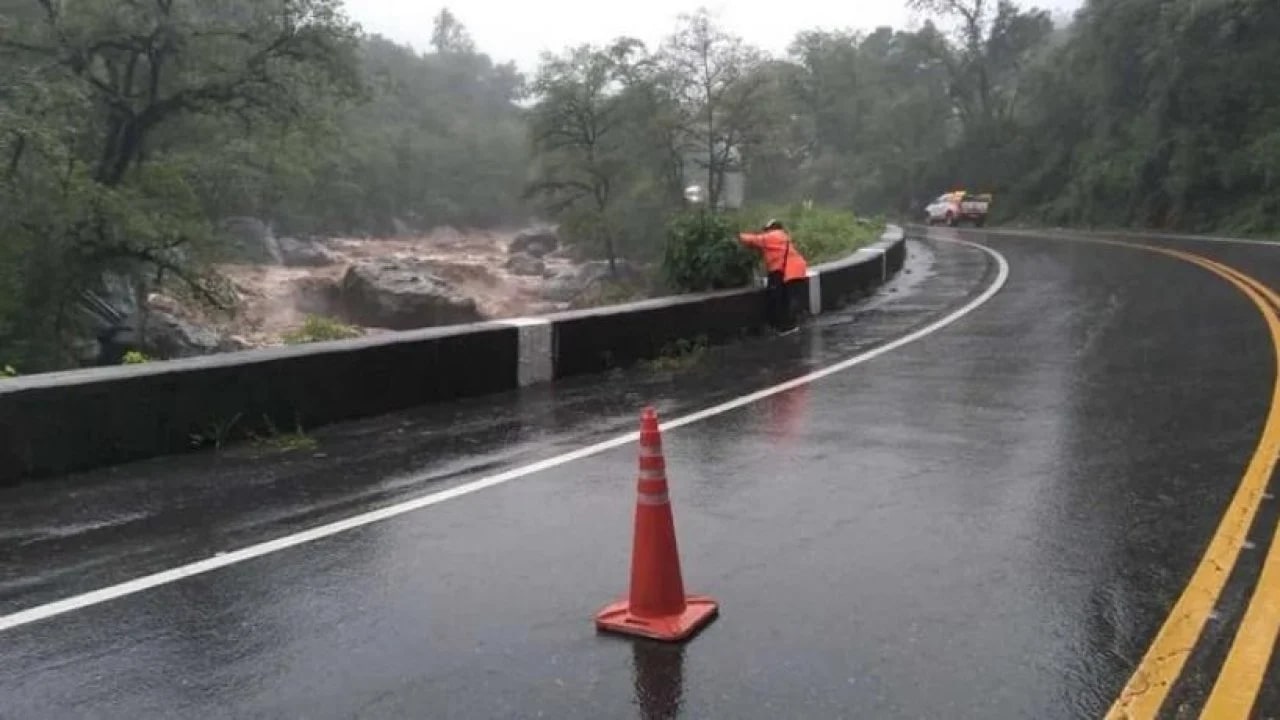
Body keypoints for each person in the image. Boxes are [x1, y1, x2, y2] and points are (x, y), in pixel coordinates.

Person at [738, 219, 808, 335]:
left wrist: (737, 236)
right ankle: (790, 325)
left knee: (779, 299)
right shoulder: (783, 237)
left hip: (786, 271)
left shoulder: (773, 236)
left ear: (772, 228)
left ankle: (785, 327)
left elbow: (754, 240)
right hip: (795, 270)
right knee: (788, 299)